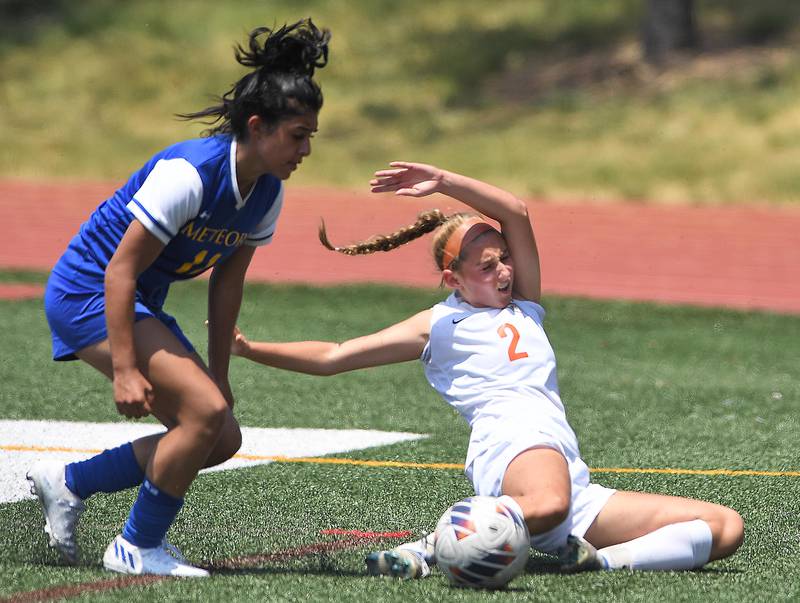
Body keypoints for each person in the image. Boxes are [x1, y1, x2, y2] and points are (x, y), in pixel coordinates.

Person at [227, 161, 744, 581]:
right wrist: (251, 349)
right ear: (453, 278)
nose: (504, 271)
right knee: (547, 499)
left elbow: (516, 212)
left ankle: (592, 559)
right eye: (487, 266)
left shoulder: (526, 306)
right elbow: (337, 355)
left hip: (564, 468)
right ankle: (433, 546)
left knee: (723, 527)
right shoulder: (439, 324)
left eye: (503, 259)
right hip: (512, 439)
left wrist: (446, 182)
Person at [27, 19, 330, 578]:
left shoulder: (266, 193)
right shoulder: (189, 173)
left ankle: (69, 483)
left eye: (312, 135)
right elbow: (118, 271)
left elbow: (227, 284)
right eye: (297, 134)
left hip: (133, 298)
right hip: (88, 293)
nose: (306, 148)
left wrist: (219, 373)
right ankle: (136, 547)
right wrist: (124, 369)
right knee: (204, 415)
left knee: (218, 433)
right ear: (258, 127)